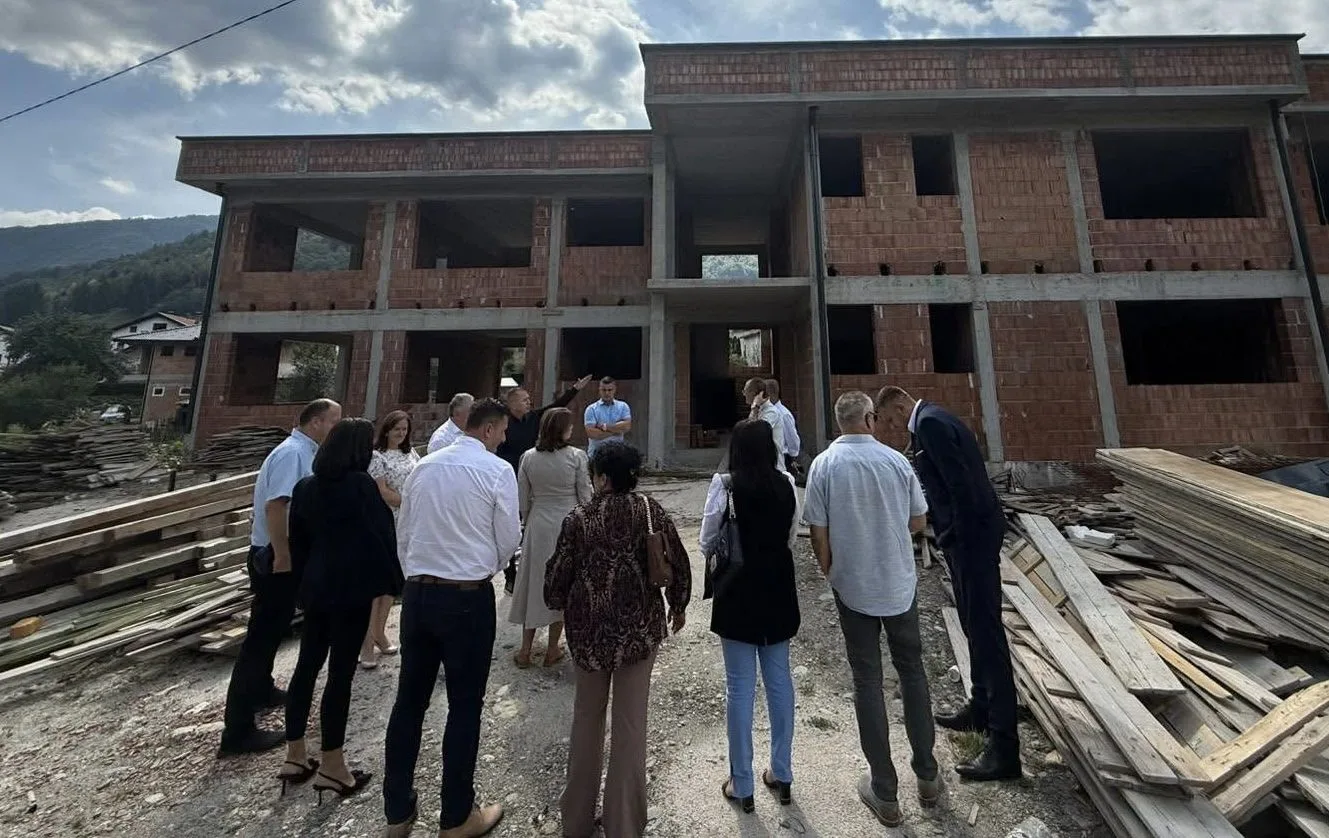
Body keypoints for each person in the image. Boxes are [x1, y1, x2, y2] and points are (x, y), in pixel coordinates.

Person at [380, 398, 519, 838]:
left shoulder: (424, 466)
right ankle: (457, 816)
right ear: (488, 429)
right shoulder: (497, 470)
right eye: (502, 431)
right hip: (466, 597)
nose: (503, 439)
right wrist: (482, 570)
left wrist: (417, 574)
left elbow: (406, 531)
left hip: (419, 593)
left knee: (409, 702)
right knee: (464, 705)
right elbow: (508, 538)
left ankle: (397, 812)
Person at [803, 391, 938, 828]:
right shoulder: (896, 462)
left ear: (839, 422)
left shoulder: (825, 465)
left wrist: (831, 571)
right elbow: (918, 520)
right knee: (913, 672)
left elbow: (818, 532)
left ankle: (885, 790)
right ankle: (928, 776)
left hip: (854, 588)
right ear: (869, 418)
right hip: (899, 585)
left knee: (867, 680)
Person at [546, 443, 691, 838]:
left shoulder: (579, 519)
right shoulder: (650, 510)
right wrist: (678, 605)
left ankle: (576, 821)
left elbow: (555, 582)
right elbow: (677, 561)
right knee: (630, 724)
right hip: (639, 632)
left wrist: (562, 600)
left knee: (586, 719)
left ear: (603, 478)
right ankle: (624, 824)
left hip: (588, 635)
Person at [876, 385, 1020, 782]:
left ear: (900, 406)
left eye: (890, 420)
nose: (893, 428)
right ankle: (981, 708)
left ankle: (1004, 747)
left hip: (972, 540)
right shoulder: (935, 419)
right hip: (969, 540)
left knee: (987, 634)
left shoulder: (931, 425)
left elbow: (962, 488)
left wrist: (953, 536)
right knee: (973, 627)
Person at [281, 418, 401, 801]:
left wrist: (301, 586)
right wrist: (392, 582)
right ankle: (333, 764)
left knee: (305, 668)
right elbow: (381, 535)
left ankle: (295, 755)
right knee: (339, 675)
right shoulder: (361, 486)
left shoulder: (306, 487)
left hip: (316, 587)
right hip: (350, 590)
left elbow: (297, 541)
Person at [219, 398, 342, 757]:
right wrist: (283, 555)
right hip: (275, 557)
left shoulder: (302, 451)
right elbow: (277, 506)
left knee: (274, 630)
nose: (336, 428)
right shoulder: (292, 454)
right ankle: (238, 730)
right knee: (260, 638)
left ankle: (262, 689)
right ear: (316, 422)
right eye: (333, 421)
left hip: (281, 554)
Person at [700, 420, 800, 813]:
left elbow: (707, 541)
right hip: (777, 587)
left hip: (737, 590)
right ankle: (782, 772)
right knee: (780, 681)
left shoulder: (725, 485)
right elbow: (791, 536)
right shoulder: (786, 484)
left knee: (739, 688)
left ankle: (742, 783)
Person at [508, 408, 591, 668]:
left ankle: (525, 649)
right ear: (562, 429)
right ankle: (552, 648)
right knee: (563, 582)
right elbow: (585, 494)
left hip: (539, 521)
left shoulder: (528, 457)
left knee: (534, 582)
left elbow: (522, 498)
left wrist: (527, 520)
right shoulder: (576, 456)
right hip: (568, 521)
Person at [497, 375, 594, 594]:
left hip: (534, 477)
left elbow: (555, 407)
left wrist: (575, 389)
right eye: (524, 400)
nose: (528, 403)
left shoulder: (533, 418)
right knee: (511, 528)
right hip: (508, 478)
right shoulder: (503, 423)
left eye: (528, 399)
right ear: (512, 404)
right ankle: (510, 574)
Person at [363, 410, 421, 669]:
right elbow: (382, 491)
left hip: (409, 523)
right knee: (375, 586)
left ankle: (380, 632)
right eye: (396, 429)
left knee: (391, 584)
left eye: (404, 429)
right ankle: (365, 642)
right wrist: (410, 503)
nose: (401, 433)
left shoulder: (411, 453)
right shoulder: (377, 457)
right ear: (386, 430)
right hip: (387, 522)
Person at [583, 376, 632, 455]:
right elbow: (592, 433)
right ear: (599, 390)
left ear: (614, 390)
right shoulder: (591, 409)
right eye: (604, 390)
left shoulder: (623, 406)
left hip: (618, 454)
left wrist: (604, 427)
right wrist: (616, 431)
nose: (607, 393)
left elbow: (626, 427)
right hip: (596, 454)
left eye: (609, 390)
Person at [764, 378, 802, 474]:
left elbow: (792, 438)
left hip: (784, 458)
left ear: (769, 394)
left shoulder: (783, 414)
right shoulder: (767, 412)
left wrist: (793, 456)